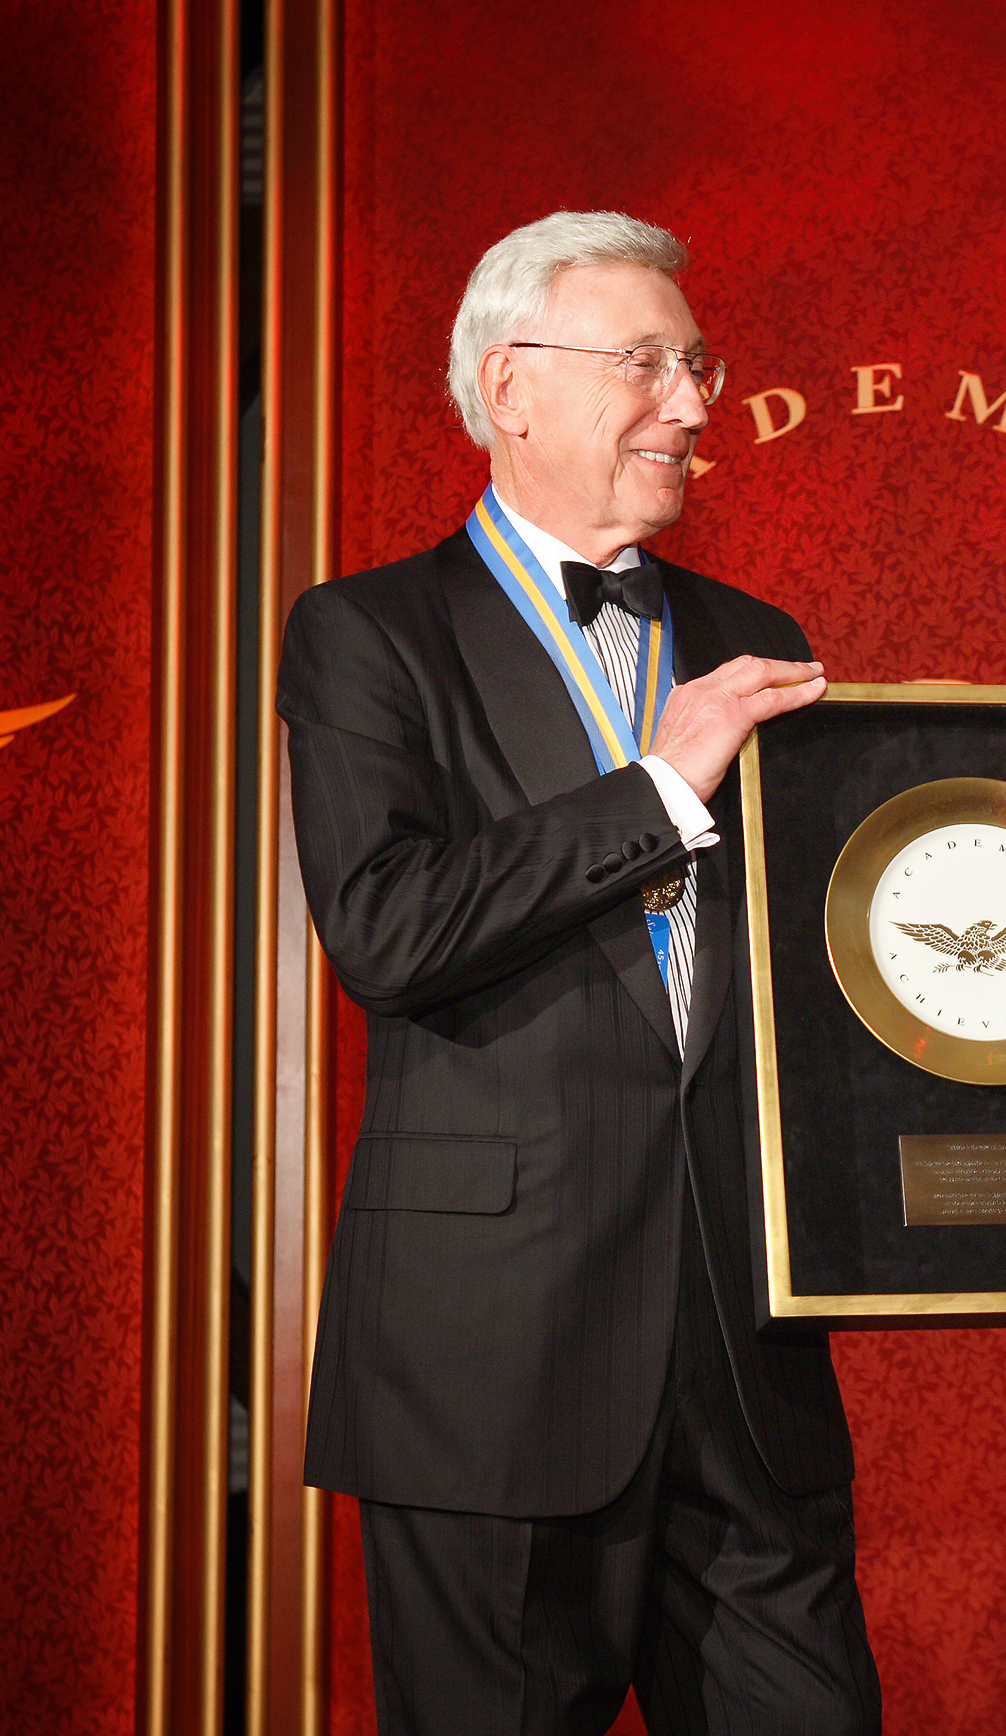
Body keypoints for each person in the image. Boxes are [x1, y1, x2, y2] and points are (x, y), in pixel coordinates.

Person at [278, 211, 881, 1735]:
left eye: (698, 366)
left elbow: (820, 987)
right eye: (647, 365)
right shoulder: (367, 634)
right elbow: (387, 929)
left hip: (749, 1357)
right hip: (493, 1363)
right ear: (512, 390)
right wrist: (659, 794)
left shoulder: (752, 639)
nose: (692, 405)